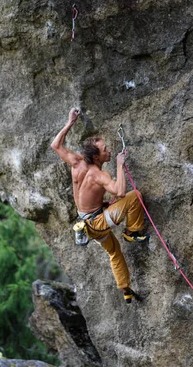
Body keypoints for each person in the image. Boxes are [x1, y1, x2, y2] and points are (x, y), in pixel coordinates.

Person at [51, 107, 148, 304]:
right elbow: (120, 191)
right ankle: (133, 231)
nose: (109, 151)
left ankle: (126, 289)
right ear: (96, 157)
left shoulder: (76, 162)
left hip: (88, 222)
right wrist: (120, 164)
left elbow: (56, 145)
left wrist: (70, 122)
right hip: (98, 222)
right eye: (105, 150)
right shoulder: (100, 175)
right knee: (134, 196)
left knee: (114, 252)